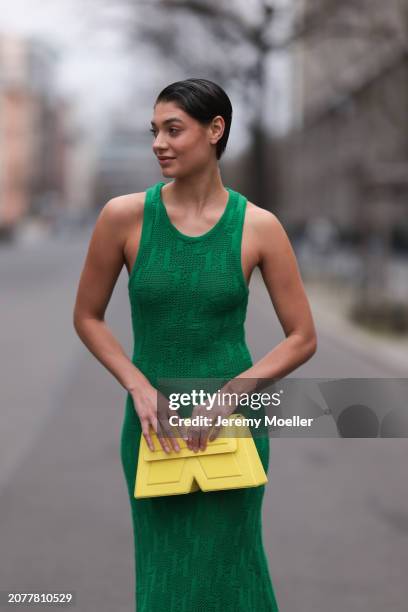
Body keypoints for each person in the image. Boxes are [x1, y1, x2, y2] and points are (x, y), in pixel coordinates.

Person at [73, 77, 317, 611]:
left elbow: (303, 337)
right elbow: (87, 317)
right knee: (165, 576)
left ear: (215, 130)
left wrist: (232, 395)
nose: (159, 142)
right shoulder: (124, 217)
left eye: (173, 129)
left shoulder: (258, 227)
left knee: (232, 567)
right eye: (154, 130)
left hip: (232, 423)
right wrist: (136, 385)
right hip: (152, 424)